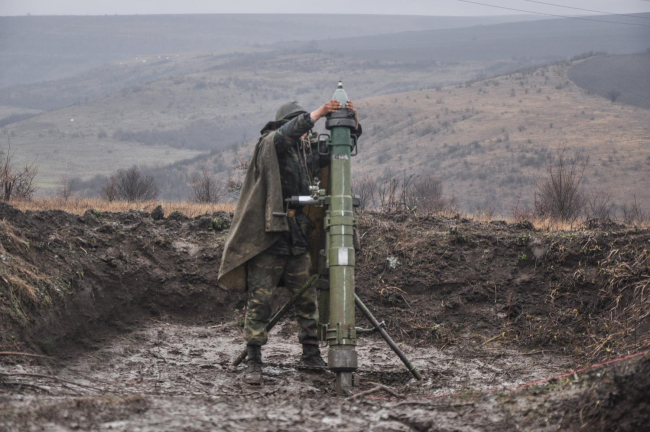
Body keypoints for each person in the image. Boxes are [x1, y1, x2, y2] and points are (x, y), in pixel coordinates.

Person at [218, 98, 361, 385]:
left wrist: (352, 125)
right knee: (260, 302)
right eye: (302, 126)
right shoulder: (272, 144)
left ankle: (310, 354)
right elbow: (286, 135)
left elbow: (337, 152)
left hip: (297, 236)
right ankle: (254, 361)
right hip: (269, 238)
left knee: (306, 300)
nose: (306, 133)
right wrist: (318, 113)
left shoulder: (304, 152)